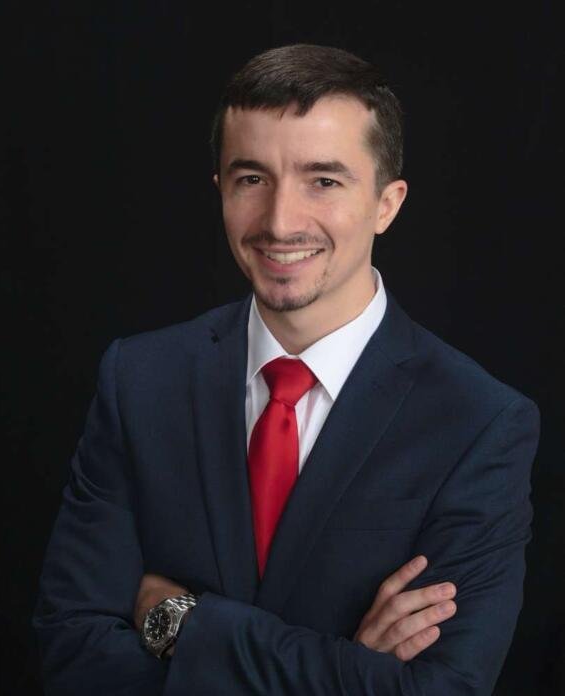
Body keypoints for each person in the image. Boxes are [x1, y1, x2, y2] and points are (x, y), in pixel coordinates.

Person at [33, 44, 540, 695]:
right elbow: (73, 655)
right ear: (221, 189)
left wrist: (183, 621)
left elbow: (441, 691)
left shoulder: (478, 422)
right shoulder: (140, 380)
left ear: (387, 204)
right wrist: (347, 667)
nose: (279, 222)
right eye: (252, 179)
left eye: (323, 181)